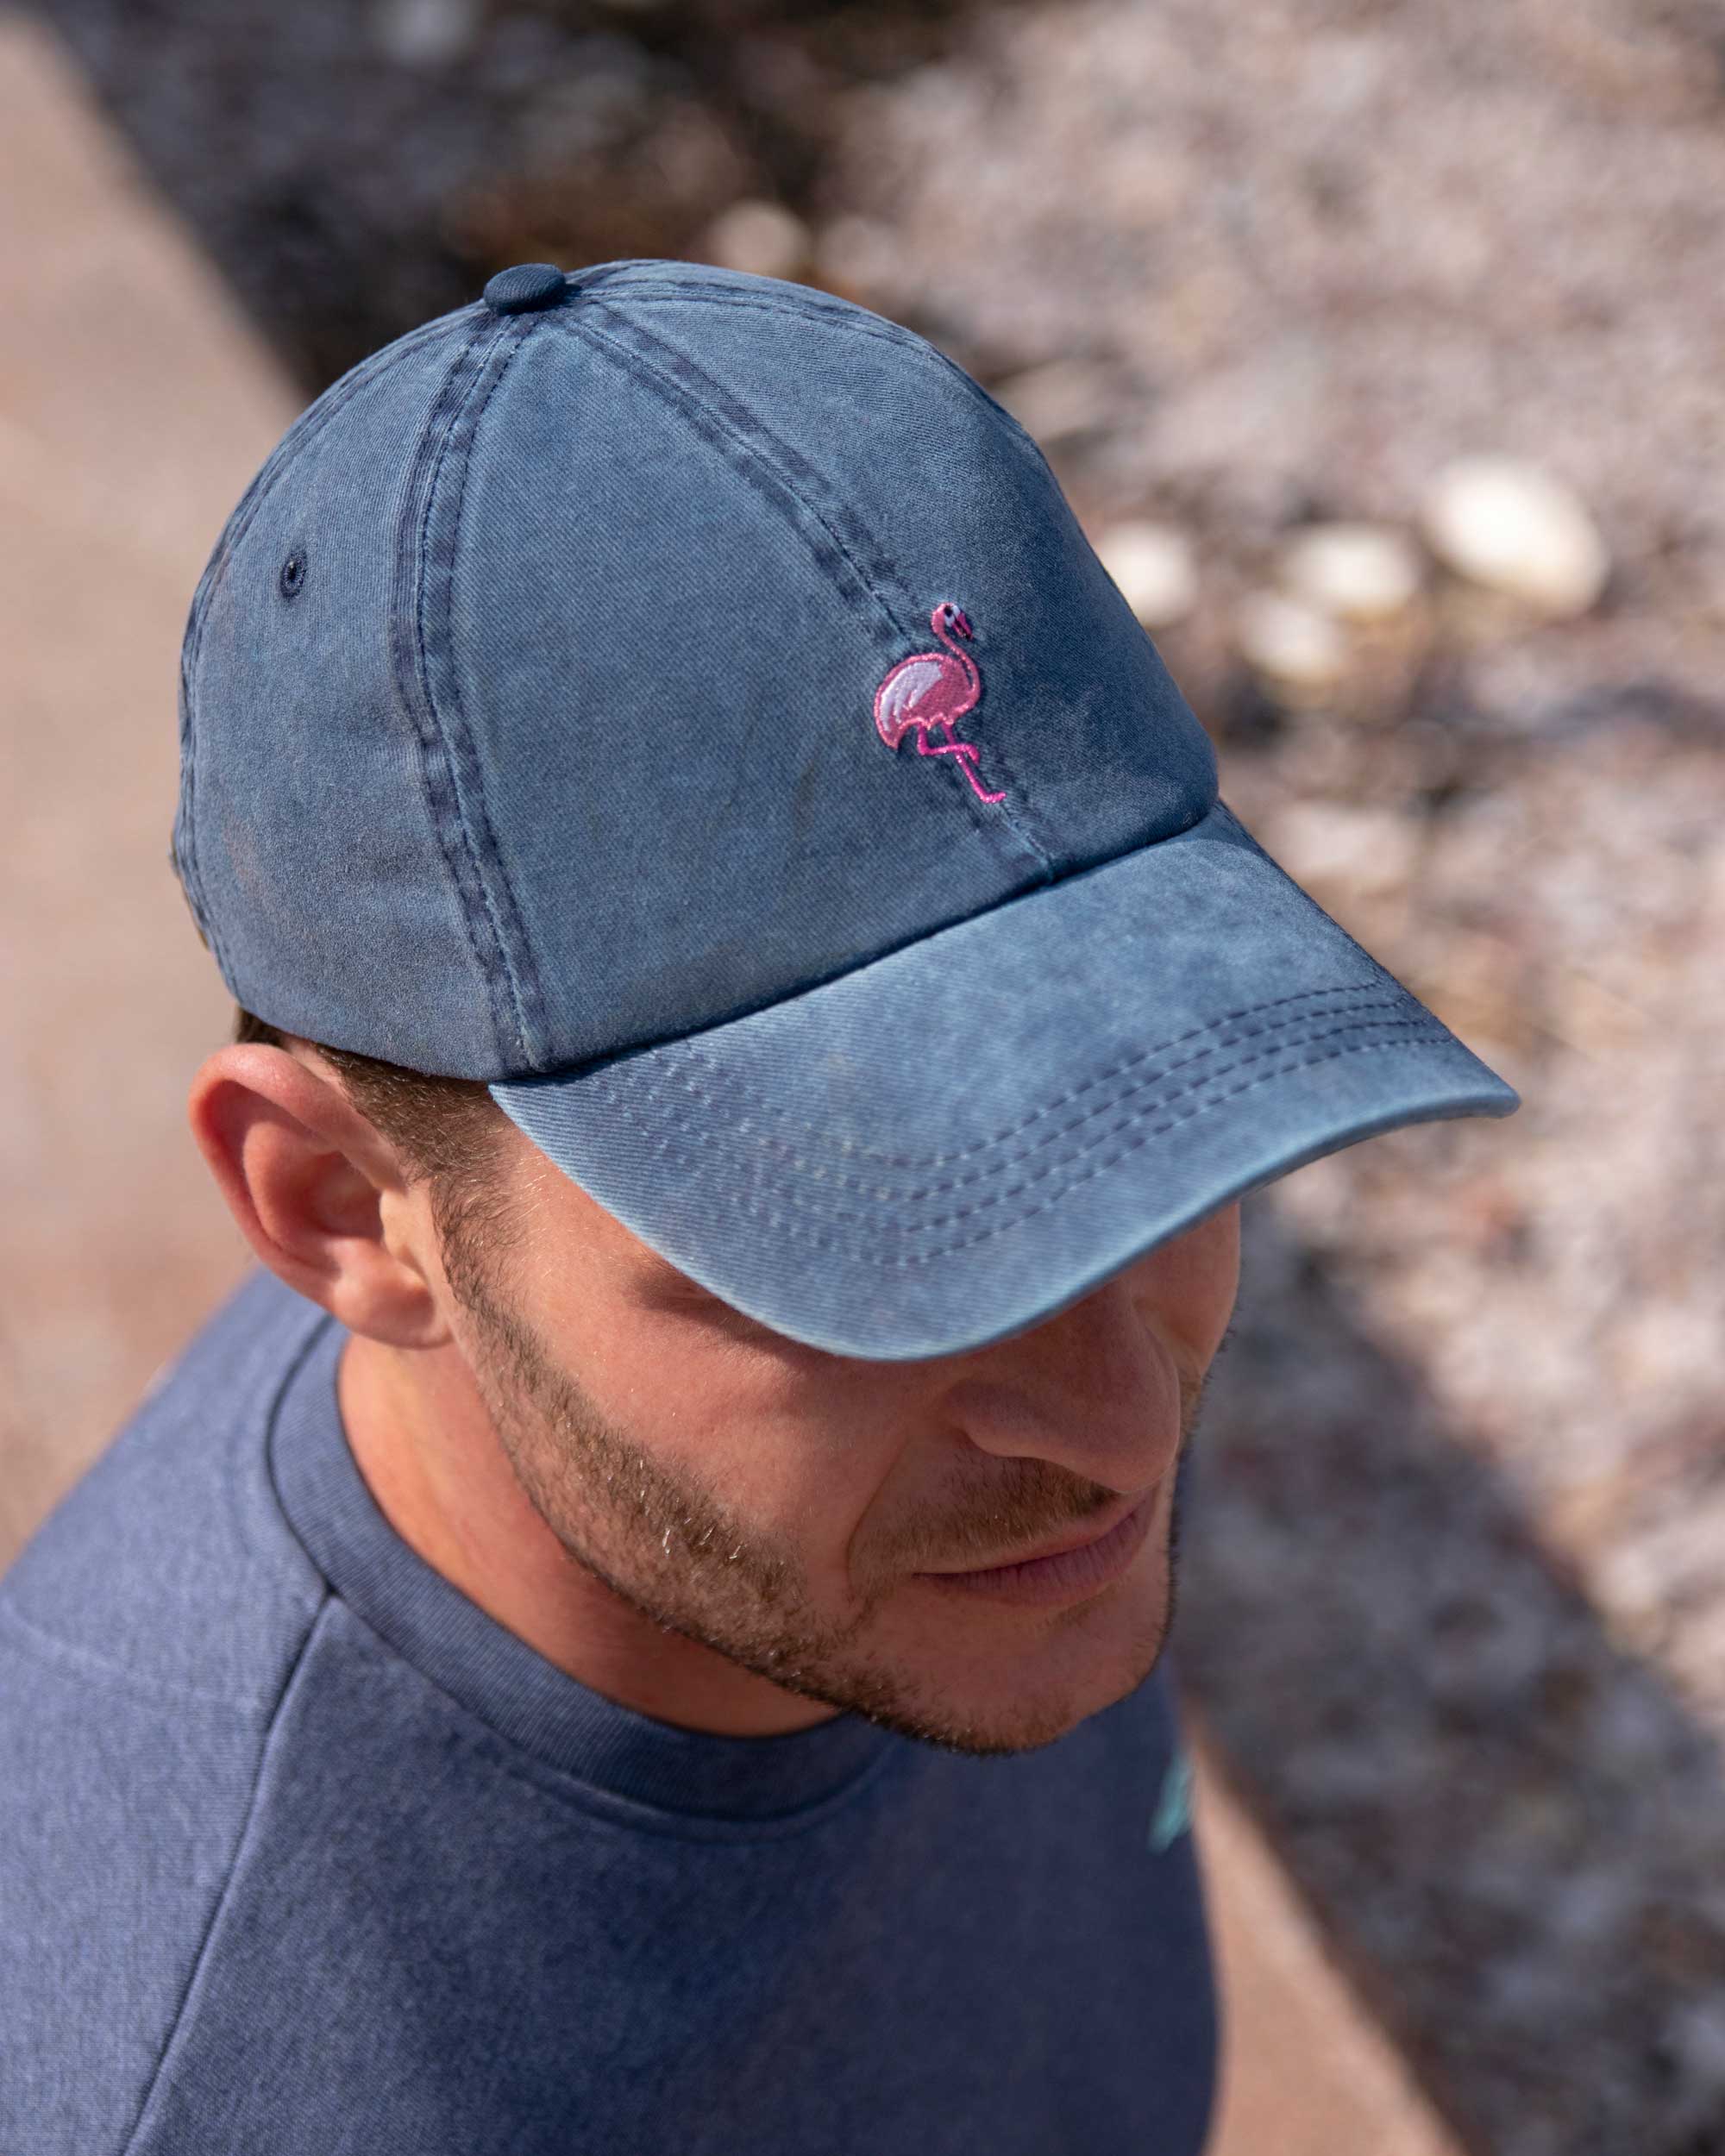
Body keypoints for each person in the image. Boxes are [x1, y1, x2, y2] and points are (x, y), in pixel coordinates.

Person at [0, 260, 1517, 2154]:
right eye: (873, 1240)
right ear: (343, 1209)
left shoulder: (924, 1503)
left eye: (1134, 1118)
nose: (1125, 1421)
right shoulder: (187, 2074)